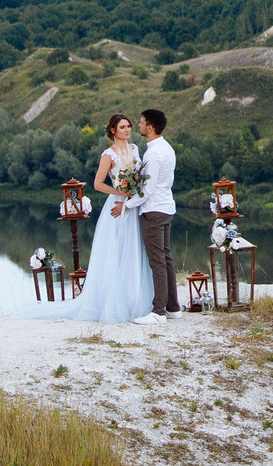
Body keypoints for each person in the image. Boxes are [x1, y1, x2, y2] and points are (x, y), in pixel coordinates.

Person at [15, 114, 156, 323]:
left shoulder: (135, 149)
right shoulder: (108, 154)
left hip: (133, 204)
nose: (127, 130)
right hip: (117, 204)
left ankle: (135, 299)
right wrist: (120, 192)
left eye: (129, 126)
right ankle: (114, 301)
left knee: (134, 250)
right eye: (122, 127)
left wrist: (135, 190)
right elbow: (98, 184)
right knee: (116, 251)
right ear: (113, 131)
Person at [137, 106, 178, 313]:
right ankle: (173, 307)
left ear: (150, 127)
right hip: (166, 207)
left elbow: (148, 189)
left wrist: (127, 204)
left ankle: (158, 310)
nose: (139, 125)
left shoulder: (153, 153)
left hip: (154, 210)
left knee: (157, 261)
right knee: (166, 258)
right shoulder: (166, 147)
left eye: (141, 122)